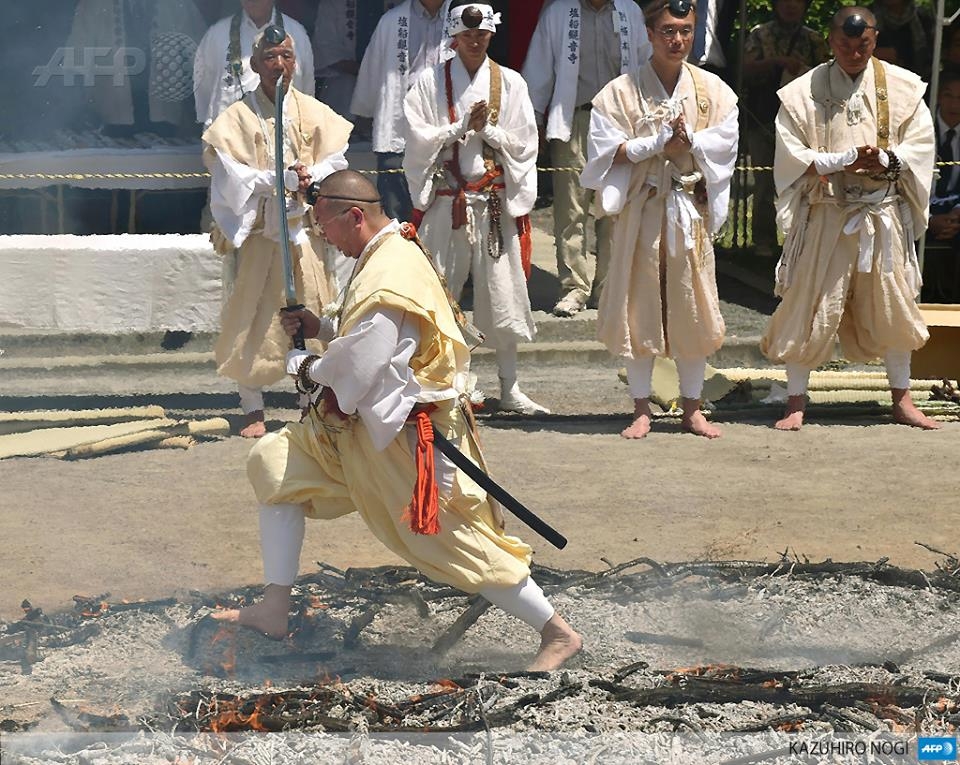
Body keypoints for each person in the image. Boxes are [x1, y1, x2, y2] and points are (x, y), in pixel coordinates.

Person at [212, 169, 583, 672]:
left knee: (451, 539)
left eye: (326, 226)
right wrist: (321, 327)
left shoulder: (391, 270)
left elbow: (363, 364)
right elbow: (368, 336)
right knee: (276, 463)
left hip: (405, 436)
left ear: (356, 216)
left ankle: (557, 632)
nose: (324, 237)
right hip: (353, 429)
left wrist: (307, 366)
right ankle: (275, 607)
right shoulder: (384, 254)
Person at [760, 7, 939, 431]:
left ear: (875, 40)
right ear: (830, 41)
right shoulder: (802, 91)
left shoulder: (902, 87)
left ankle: (902, 397)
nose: (854, 52)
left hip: (882, 212)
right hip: (826, 211)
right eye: (845, 44)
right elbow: (789, 156)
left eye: (863, 45)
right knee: (808, 304)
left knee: (894, 305)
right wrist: (840, 161)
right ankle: (796, 400)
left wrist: (886, 158)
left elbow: (920, 147)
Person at [579, 0, 739, 439]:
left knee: (692, 306)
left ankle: (692, 407)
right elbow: (605, 149)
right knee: (640, 307)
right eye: (668, 30)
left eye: (685, 31)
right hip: (644, 208)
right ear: (649, 33)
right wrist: (656, 145)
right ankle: (641, 408)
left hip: (687, 209)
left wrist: (691, 143)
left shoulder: (713, 90)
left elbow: (726, 142)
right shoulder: (620, 91)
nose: (678, 40)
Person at [202, 26, 352, 437]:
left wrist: (309, 176)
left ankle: (311, 399)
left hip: (302, 232)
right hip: (259, 234)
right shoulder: (237, 116)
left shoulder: (312, 111)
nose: (279, 65)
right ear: (255, 64)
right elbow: (227, 172)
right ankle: (251, 405)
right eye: (270, 57)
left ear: (295, 62)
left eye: (286, 56)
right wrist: (275, 181)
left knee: (310, 309)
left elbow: (336, 160)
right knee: (253, 316)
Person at [403, 4, 549, 415]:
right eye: (467, 35)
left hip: (493, 205)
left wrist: (489, 131)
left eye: (481, 35)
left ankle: (510, 385)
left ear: (490, 35)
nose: (474, 41)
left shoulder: (511, 83)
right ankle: (448, 384)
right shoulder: (429, 82)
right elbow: (415, 138)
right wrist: (459, 128)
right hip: (448, 203)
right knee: (439, 295)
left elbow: (525, 145)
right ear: (453, 36)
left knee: (503, 294)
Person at [522, 0, 651, 317]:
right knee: (571, 207)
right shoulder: (559, 12)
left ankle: (608, 289)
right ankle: (573, 288)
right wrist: (533, 119)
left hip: (620, 122)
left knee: (615, 206)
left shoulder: (629, 11)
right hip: (575, 120)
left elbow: (647, 64)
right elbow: (538, 69)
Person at [351, 0, 454, 221]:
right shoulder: (391, 21)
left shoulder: (459, 16)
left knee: (442, 212)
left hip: (444, 124)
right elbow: (373, 66)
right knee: (396, 211)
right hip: (399, 127)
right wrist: (365, 111)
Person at [742, 0, 829, 257]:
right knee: (764, 182)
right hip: (763, 116)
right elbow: (745, 69)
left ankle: (801, 239)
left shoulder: (814, 39)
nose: (791, 6)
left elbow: (828, 76)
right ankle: (763, 241)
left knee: (805, 181)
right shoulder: (759, 34)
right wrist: (776, 62)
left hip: (802, 122)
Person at [65, 0, 207, 136]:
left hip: (165, 122)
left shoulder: (177, 4)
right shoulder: (95, 4)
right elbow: (77, 59)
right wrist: (80, 110)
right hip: (110, 122)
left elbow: (201, 57)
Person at [194, 0, 314, 129]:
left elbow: (306, 93)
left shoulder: (296, 33)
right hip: (228, 136)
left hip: (282, 136)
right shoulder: (217, 34)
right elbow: (204, 88)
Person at [924, 68, 960, 303]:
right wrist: (927, 218)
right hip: (918, 211)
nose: (955, 104)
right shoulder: (920, 129)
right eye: (948, 95)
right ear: (938, 96)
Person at [868, 0, 934, 80]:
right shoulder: (867, 16)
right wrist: (873, 53)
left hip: (917, 78)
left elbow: (931, 54)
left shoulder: (922, 16)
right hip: (877, 77)